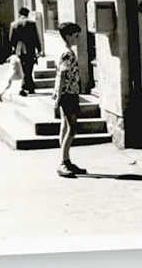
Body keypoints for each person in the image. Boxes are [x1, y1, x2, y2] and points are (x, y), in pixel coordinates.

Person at [53, 22, 87, 178]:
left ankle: (66, 160)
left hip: (68, 93)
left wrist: (56, 94)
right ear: (67, 36)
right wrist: (59, 96)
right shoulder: (68, 53)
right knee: (72, 128)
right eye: (75, 36)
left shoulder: (64, 51)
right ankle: (63, 162)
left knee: (65, 127)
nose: (77, 39)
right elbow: (62, 75)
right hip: (68, 94)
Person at [9, 7, 42, 96]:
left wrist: (13, 50)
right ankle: (28, 87)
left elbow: (11, 40)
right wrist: (39, 49)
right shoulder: (32, 23)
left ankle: (26, 87)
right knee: (29, 68)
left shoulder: (14, 24)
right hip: (30, 48)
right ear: (27, 14)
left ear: (19, 14)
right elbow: (35, 37)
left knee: (22, 68)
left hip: (19, 49)